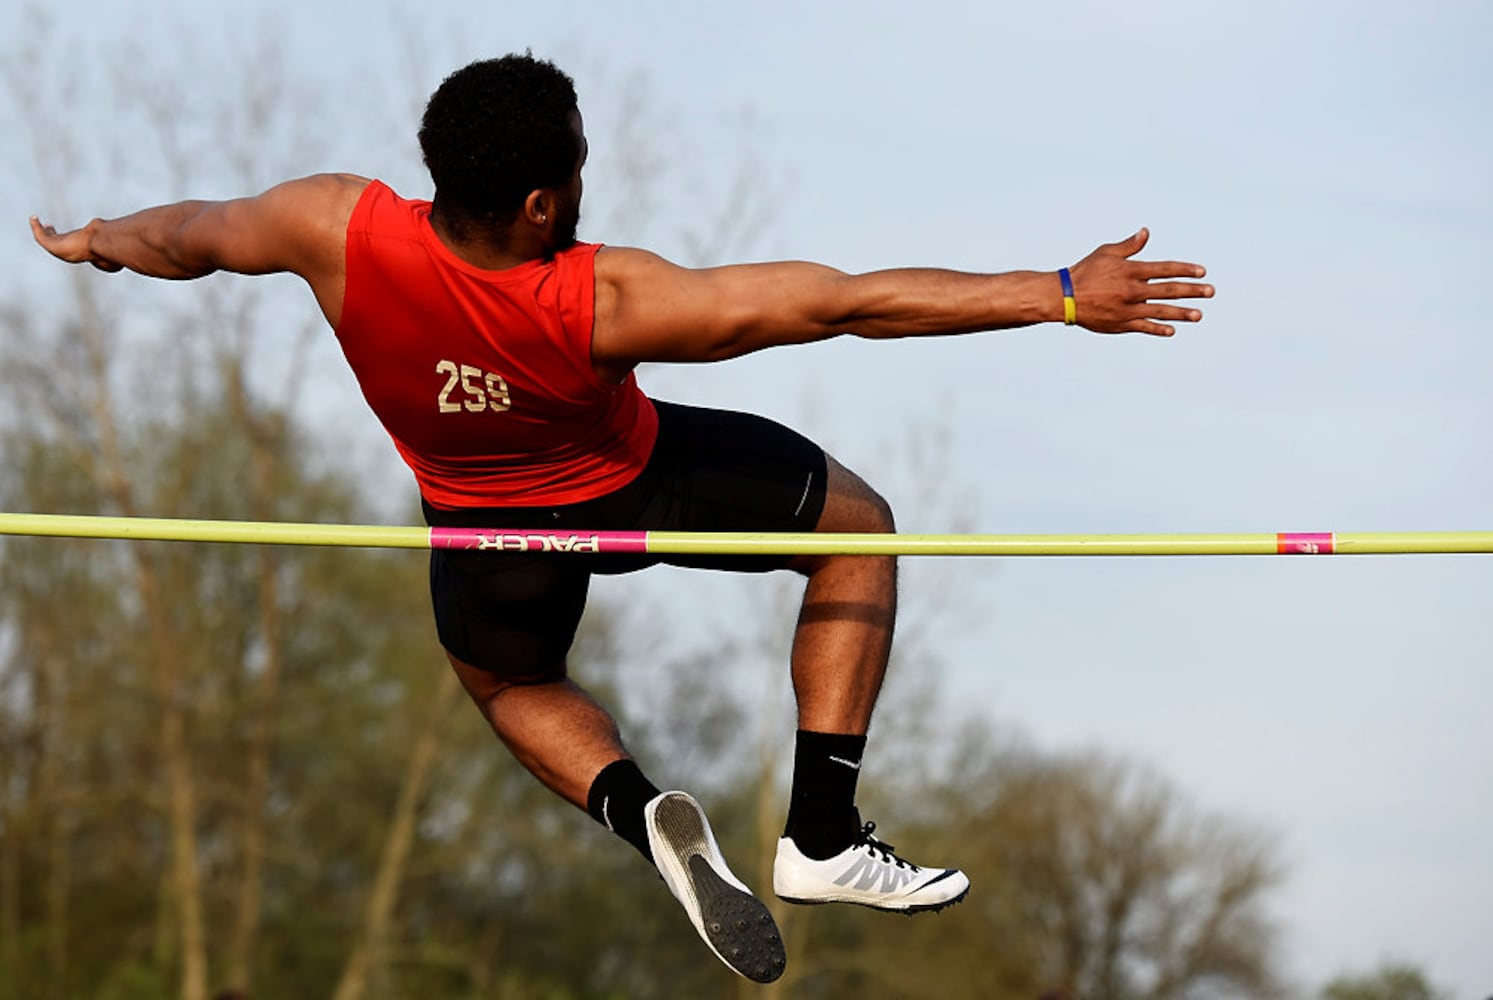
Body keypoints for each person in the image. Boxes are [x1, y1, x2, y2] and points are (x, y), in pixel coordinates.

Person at [31, 53, 1213, 984]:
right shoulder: (600, 297)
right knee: (860, 526)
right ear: (546, 200)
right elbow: (845, 306)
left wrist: (98, 243)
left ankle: (639, 810)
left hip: (477, 528)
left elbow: (185, 236)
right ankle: (819, 832)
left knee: (508, 686)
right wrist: (1054, 295)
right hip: (629, 484)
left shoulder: (326, 226)